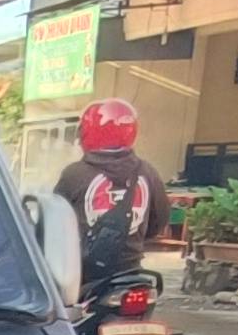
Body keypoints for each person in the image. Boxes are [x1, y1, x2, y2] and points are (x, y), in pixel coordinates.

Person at [54, 99, 170, 293]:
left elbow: (56, 224)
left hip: (83, 275)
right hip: (131, 271)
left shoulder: (74, 174)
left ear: (86, 131)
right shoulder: (148, 171)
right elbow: (159, 220)